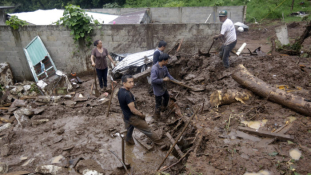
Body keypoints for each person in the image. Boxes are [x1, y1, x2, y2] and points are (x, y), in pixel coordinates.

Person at [118, 75, 162, 145]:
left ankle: (129, 141)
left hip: (125, 115)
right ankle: (161, 143)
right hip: (132, 117)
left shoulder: (120, 90)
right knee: (148, 130)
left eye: (132, 81)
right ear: (124, 83)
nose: (132, 84)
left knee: (129, 130)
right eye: (130, 82)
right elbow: (133, 110)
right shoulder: (127, 95)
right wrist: (141, 115)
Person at [151, 53, 176, 119]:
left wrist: (174, 80)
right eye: (167, 61)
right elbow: (153, 80)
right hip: (158, 89)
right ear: (163, 60)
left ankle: (163, 108)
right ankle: (157, 116)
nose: (167, 62)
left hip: (163, 88)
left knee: (167, 97)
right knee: (158, 103)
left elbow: (168, 75)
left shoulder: (164, 67)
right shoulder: (155, 68)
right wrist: (163, 79)